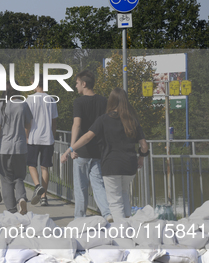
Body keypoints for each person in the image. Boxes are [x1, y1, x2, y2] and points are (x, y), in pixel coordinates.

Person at [61, 87, 149, 221]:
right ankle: (128, 224)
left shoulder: (103, 119)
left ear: (111, 101)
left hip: (111, 164)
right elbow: (144, 145)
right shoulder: (132, 121)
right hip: (130, 165)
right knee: (124, 194)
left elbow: (87, 137)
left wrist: (70, 149)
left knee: (114, 201)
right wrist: (141, 157)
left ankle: (121, 231)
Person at [64, 70, 112, 220]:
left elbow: (76, 125)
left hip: (81, 151)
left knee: (80, 187)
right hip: (98, 150)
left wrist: (72, 148)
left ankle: (80, 218)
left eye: (77, 83)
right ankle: (108, 213)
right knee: (98, 186)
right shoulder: (104, 101)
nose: (76, 86)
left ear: (84, 84)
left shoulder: (79, 102)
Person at [0, 87, 33, 215]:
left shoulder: (2, 105)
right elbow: (28, 124)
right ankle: (22, 198)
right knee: (19, 177)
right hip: (20, 148)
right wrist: (26, 137)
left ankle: (11, 210)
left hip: (4, 148)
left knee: (6, 179)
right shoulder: (23, 104)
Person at [26, 75, 58, 207]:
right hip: (47, 138)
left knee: (31, 164)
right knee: (45, 167)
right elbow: (54, 120)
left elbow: (27, 120)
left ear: (34, 84)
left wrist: (26, 135)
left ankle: (38, 186)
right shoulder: (51, 99)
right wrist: (53, 135)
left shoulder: (29, 99)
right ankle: (44, 197)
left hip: (33, 137)